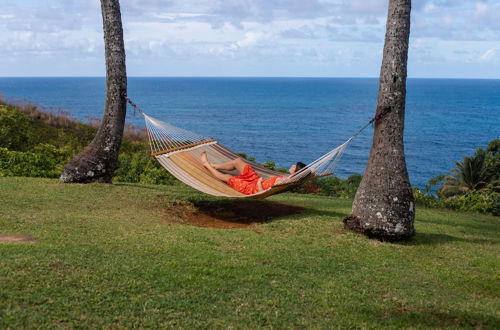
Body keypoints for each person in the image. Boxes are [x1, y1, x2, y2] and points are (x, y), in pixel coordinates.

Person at [200, 151, 307, 195]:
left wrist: (259, 184)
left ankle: (208, 165)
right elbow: (311, 171)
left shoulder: (284, 182)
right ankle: (215, 165)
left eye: (295, 166)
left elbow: (263, 193)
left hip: (253, 189)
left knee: (228, 178)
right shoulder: (290, 179)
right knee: (238, 162)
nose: (292, 166)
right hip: (255, 181)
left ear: (296, 171)